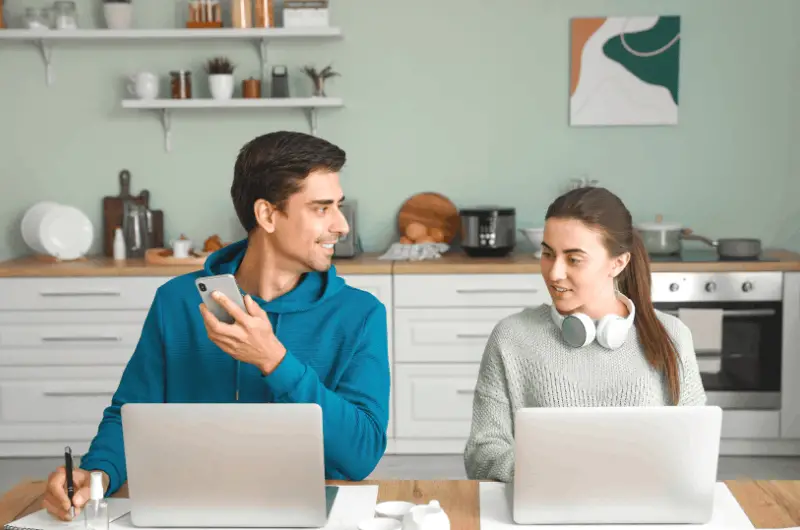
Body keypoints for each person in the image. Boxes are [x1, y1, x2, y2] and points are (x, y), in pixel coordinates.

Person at [43, 131, 391, 520]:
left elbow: (361, 456)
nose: (342, 225)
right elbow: (130, 414)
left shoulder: (360, 314)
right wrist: (95, 474)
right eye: (322, 208)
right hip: (183, 513)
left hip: (305, 517)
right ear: (267, 215)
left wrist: (276, 361)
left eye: (337, 206)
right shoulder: (176, 302)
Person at [463, 186, 706, 483]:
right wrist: (559, 478)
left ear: (618, 263)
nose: (554, 273)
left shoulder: (673, 336)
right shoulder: (512, 337)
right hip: (543, 511)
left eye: (574, 259)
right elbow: (483, 453)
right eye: (548, 254)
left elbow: (695, 452)